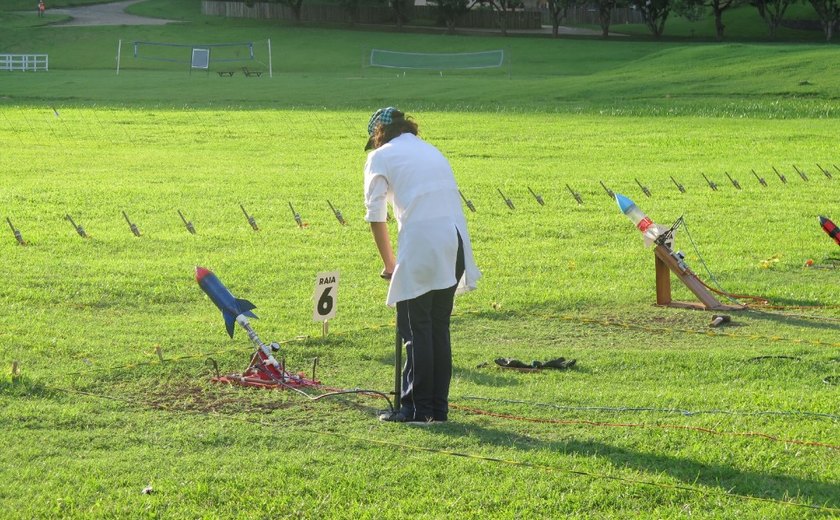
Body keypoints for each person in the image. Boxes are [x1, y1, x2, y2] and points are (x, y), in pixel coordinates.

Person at [363, 107, 481, 424]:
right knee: (437, 329)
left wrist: (390, 264)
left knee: (415, 330)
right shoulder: (430, 150)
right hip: (455, 244)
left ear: (378, 134)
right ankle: (437, 409)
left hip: (423, 244)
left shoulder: (380, 156)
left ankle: (415, 409)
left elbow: (375, 215)